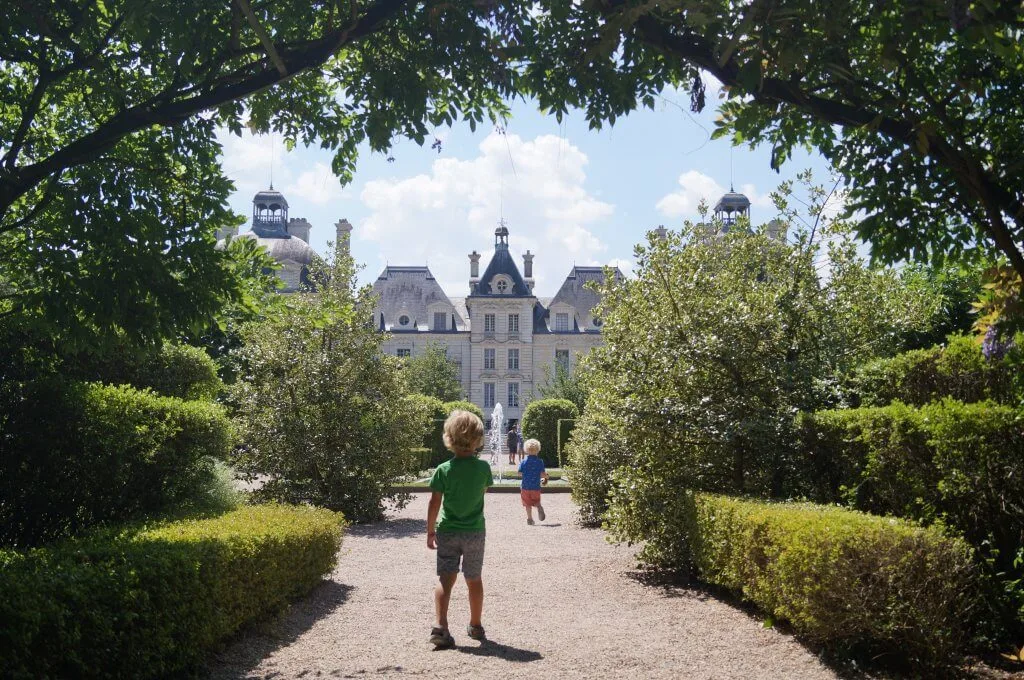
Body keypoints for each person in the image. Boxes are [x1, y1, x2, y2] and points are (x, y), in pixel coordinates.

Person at [427, 410, 492, 649]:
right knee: (474, 578)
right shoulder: (483, 469)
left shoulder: (443, 470)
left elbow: (434, 503)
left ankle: (441, 626)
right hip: (475, 530)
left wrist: (430, 530)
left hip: (448, 530)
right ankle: (475, 625)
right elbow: (481, 492)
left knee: (445, 578)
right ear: (478, 439)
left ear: (449, 438)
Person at [518, 438, 549, 525]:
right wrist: (546, 476)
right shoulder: (539, 462)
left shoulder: (523, 461)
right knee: (537, 501)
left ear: (526, 450)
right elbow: (542, 475)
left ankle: (530, 519)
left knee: (527, 504)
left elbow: (519, 473)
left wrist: (526, 474)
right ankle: (539, 507)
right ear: (538, 450)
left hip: (525, 486)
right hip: (535, 486)